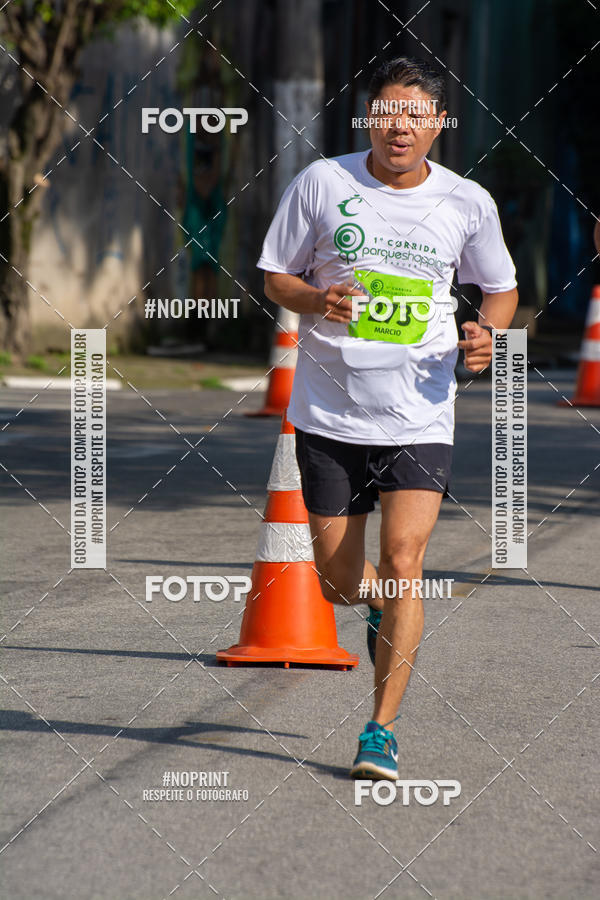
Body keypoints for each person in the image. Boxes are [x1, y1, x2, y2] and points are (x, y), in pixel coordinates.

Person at [257, 57, 518, 780]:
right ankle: (373, 603)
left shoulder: (467, 201)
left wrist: (489, 335)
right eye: (387, 112)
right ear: (368, 118)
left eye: (415, 115)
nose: (399, 127)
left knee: (405, 563)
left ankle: (381, 730)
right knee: (339, 582)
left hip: (420, 413)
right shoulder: (323, 183)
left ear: (438, 125)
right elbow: (276, 275)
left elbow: (500, 289)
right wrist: (317, 300)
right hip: (329, 413)